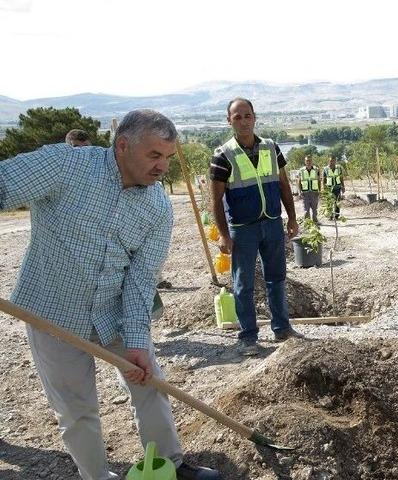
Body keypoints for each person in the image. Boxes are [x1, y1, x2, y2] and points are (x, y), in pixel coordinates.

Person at [0, 109, 220, 480]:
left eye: (167, 157)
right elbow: (4, 184)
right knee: (76, 409)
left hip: (113, 312)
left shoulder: (157, 208)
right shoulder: (65, 166)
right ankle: (98, 477)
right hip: (51, 315)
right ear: (122, 146)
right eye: (154, 155)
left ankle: (170, 465)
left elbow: (140, 281)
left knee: (150, 383)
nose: (162, 166)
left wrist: (136, 341)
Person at [209, 98, 301, 356]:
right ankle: (248, 337)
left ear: (254, 117)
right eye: (237, 117)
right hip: (243, 229)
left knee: (277, 279)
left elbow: (283, 185)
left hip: (272, 224)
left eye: (247, 116)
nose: (243, 121)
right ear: (229, 121)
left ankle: (282, 328)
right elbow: (215, 200)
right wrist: (225, 235)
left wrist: (292, 218)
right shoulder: (223, 155)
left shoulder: (271, 148)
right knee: (243, 284)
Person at [297, 155, 321, 223]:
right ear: (305, 162)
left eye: (310, 160)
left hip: (314, 192)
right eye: (307, 160)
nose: (309, 162)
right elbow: (299, 181)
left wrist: (319, 190)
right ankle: (308, 223)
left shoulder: (316, 169)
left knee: (314, 209)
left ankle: (315, 221)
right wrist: (300, 191)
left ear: (312, 161)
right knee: (306, 209)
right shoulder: (301, 170)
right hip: (305, 193)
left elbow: (319, 181)